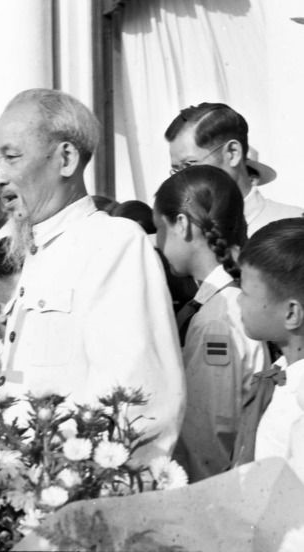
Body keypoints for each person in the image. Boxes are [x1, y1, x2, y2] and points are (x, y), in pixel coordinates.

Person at [0, 88, 185, 461]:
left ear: (65, 159)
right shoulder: (35, 249)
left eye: (12, 157)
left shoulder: (112, 243)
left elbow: (137, 402)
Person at [153, 166, 267, 482]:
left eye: (159, 228)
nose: (158, 243)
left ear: (182, 224)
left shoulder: (215, 320)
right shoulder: (226, 301)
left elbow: (209, 437)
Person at [165, 102, 303, 235]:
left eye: (188, 165)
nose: (179, 181)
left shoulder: (295, 227)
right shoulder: (181, 235)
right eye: (176, 170)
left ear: (232, 153)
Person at [235, 218, 304, 464]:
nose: (238, 300)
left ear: (291, 314)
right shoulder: (282, 375)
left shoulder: (297, 405)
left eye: (245, 292)